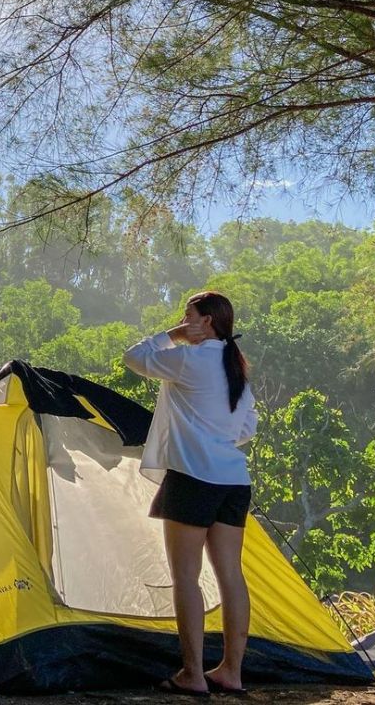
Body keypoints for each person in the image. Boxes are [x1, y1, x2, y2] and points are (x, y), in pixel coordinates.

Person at [124, 291, 257, 697]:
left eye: (189, 316)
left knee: (186, 577)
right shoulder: (235, 369)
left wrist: (172, 334)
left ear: (207, 322)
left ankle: (193, 674)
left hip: (192, 477)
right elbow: (247, 429)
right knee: (230, 574)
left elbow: (135, 357)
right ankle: (231, 672)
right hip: (233, 480)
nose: (183, 321)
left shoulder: (189, 359)